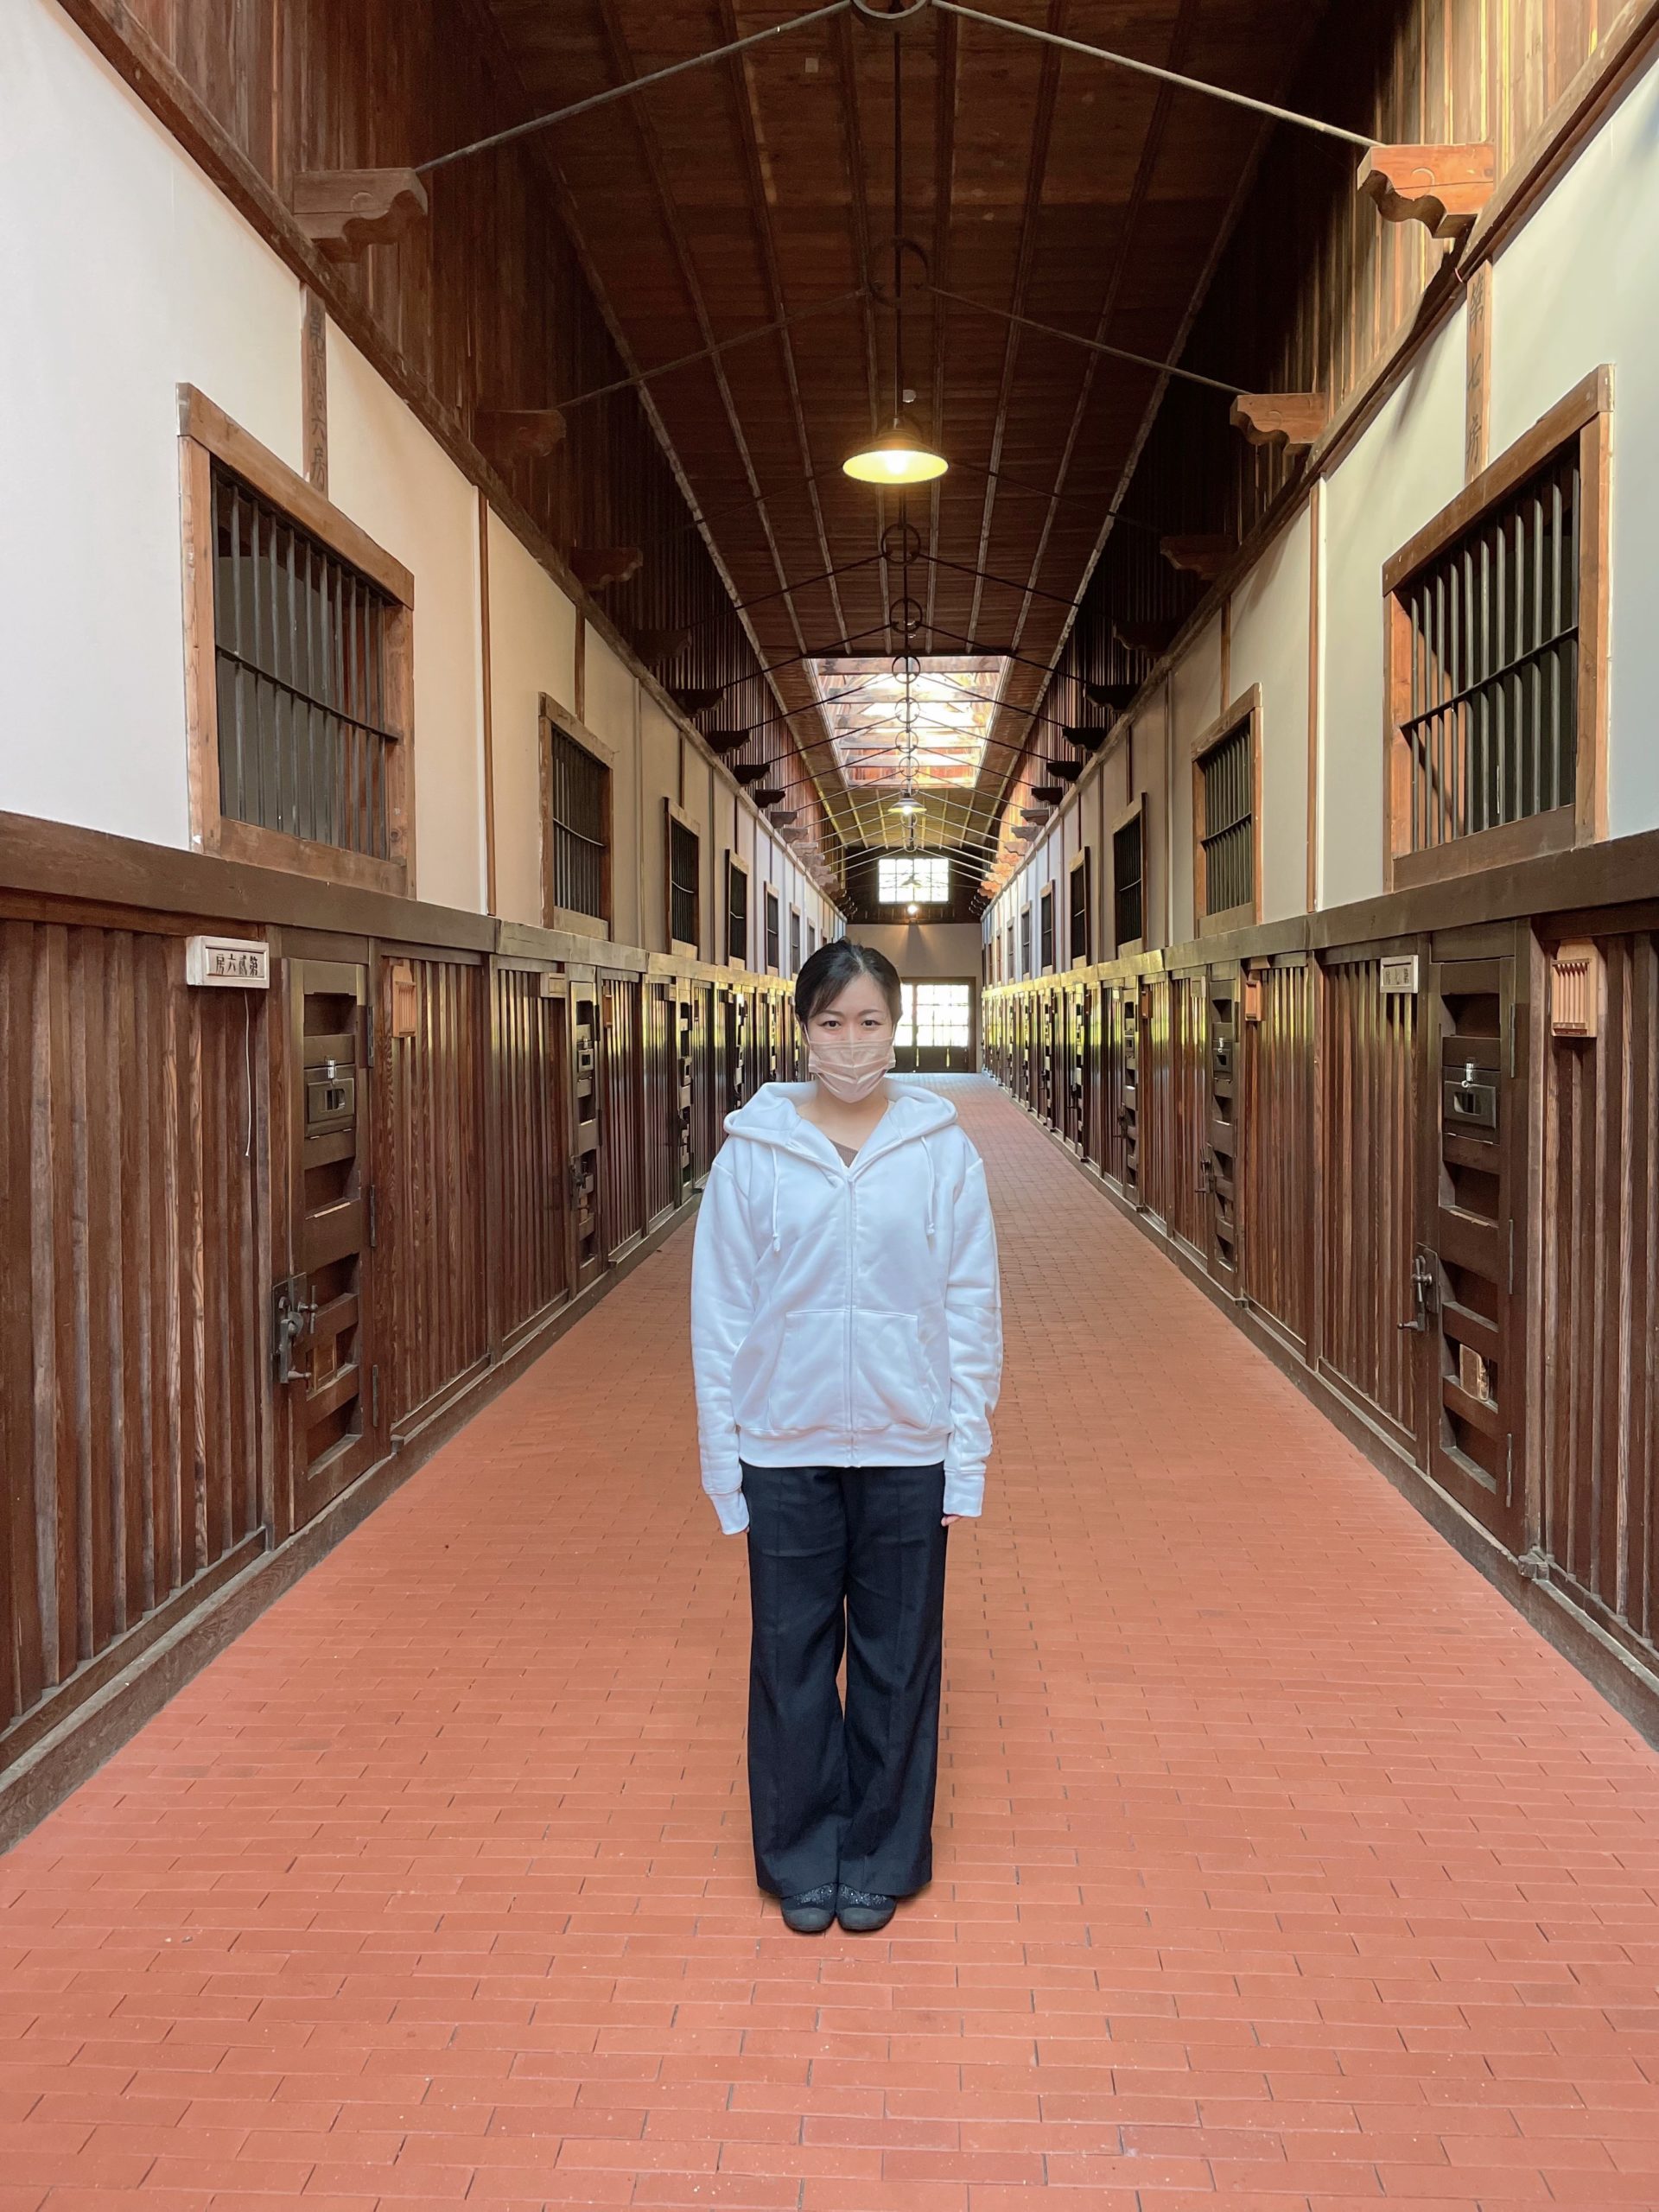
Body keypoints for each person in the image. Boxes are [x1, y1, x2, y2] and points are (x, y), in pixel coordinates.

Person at [690, 939, 1005, 1936]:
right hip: (784, 1444)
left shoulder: (943, 1152)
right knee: (789, 1657)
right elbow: (720, 1318)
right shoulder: (753, 1154)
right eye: (832, 1022)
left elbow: (972, 1309)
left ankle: (878, 1852)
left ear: (896, 1028)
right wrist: (724, 1463)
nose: (851, 1041)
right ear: (802, 1030)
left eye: (869, 1021)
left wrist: (965, 1456)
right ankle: (799, 1854)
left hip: (910, 1445)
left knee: (897, 1658)